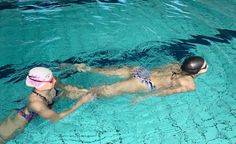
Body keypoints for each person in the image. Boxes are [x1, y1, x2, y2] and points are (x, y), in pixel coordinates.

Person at [0, 67, 92, 144]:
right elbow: (56, 118)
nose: (54, 80)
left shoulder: (51, 83)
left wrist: (76, 90)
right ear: (40, 86)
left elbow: (63, 87)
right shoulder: (36, 103)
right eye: (51, 80)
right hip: (15, 126)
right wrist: (81, 102)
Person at [62, 56, 208, 100]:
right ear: (196, 71)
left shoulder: (176, 65)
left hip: (141, 70)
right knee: (98, 92)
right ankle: (69, 91)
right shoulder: (189, 84)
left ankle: (81, 67)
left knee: (100, 71)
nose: (206, 67)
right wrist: (143, 97)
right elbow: (166, 92)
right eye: (205, 66)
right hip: (145, 83)